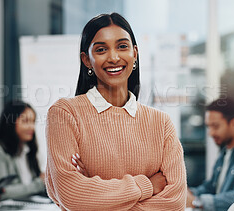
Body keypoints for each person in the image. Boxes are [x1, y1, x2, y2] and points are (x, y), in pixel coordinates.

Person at [45, 13, 187, 210]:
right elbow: (72, 195)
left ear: (135, 53)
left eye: (122, 46)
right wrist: (147, 185)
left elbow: (175, 202)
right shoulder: (65, 114)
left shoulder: (161, 123)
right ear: (87, 60)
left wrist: (98, 198)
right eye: (101, 49)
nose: (113, 57)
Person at [0, 101, 46, 199]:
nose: (32, 127)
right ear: (10, 122)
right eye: (25, 121)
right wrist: (39, 183)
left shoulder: (28, 151)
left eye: (33, 122)